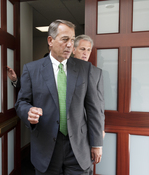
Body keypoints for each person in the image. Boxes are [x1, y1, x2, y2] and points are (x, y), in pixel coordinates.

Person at [15, 19, 104, 175]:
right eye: (65, 39)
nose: (70, 44)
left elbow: (94, 108)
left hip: (78, 147)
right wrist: (28, 111)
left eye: (72, 40)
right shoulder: (32, 69)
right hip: (46, 147)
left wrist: (97, 143)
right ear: (50, 40)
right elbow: (22, 102)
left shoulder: (85, 68)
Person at [73, 34, 105, 138]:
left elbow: (99, 105)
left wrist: (101, 128)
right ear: (73, 50)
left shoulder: (97, 73)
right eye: (82, 49)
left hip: (89, 126)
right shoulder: (63, 70)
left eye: (88, 50)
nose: (85, 53)